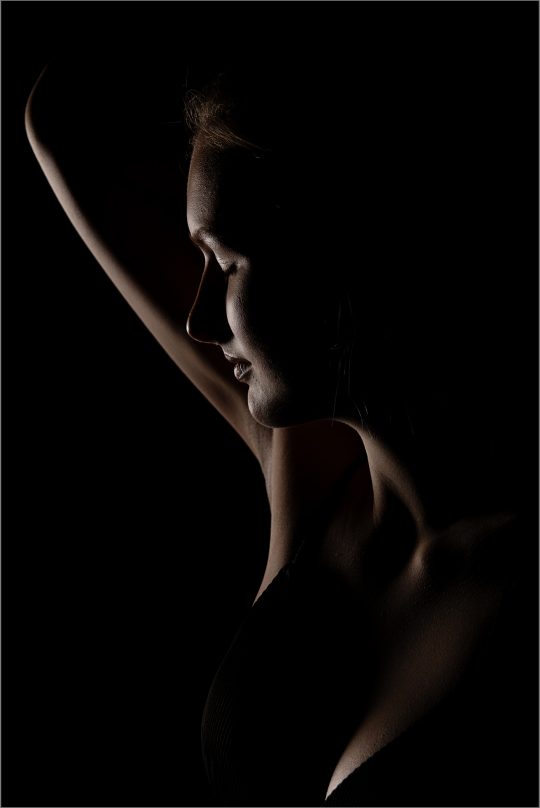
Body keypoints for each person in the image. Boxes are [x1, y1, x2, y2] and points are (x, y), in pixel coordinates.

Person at [25, 13, 537, 807]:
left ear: (341, 251)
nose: (199, 319)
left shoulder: (322, 482)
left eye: (225, 262)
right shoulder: (312, 473)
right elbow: (63, 120)